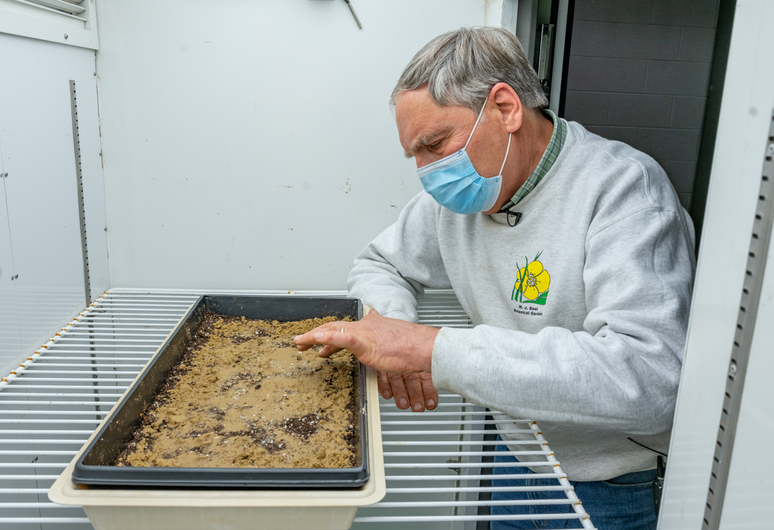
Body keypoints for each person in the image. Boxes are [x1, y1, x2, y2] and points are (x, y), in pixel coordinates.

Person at [294, 27, 695, 530]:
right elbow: (381, 263)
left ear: (505, 108)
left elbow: (650, 377)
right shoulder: (453, 202)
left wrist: (431, 350)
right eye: (415, 155)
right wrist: (393, 332)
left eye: (435, 144)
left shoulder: (624, 192)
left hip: (614, 486)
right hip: (514, 458)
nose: (426, 172)